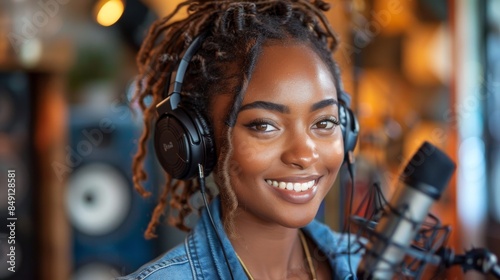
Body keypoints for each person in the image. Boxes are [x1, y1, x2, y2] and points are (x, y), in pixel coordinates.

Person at [119, 0, 362, 279]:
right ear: (201, 140)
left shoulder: (372, 266)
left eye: (324, 122)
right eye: (264, 126)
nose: (304, 155)